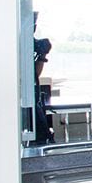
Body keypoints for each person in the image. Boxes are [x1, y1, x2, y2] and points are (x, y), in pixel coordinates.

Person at [32, 13, 54, 145]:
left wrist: (42, 54)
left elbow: (34, 74)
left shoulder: (30, 42)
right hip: (27, 101)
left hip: (34, 97)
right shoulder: (19, 41)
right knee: (41, 137)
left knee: (43, 135)